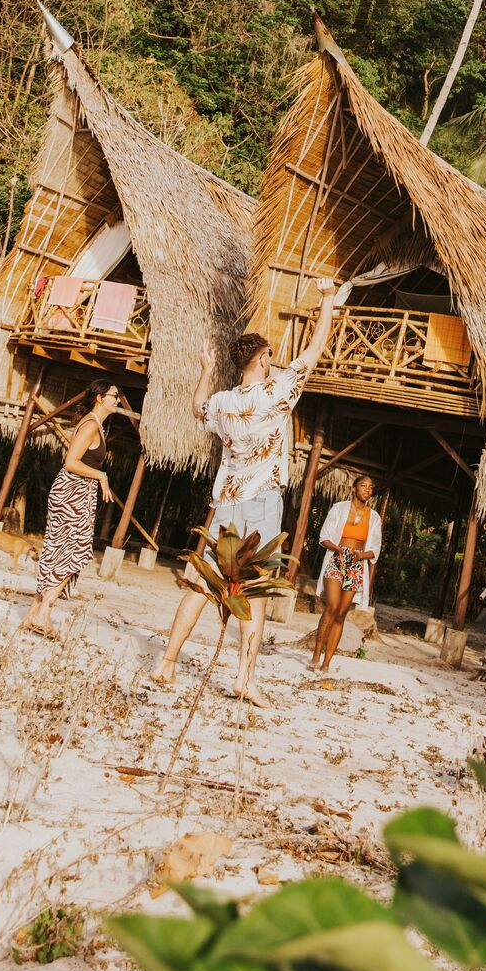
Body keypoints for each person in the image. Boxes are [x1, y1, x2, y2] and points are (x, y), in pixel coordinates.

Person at [151, 278, 346, 705]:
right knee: (253, 591)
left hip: (225, 503)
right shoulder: (275, 394)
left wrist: (204, 373)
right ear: (260, 359)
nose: (274, 361)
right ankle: (244, 678)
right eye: (270, 355)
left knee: (202, 585)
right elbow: (315, 350)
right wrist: (328, 300)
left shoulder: (222, 402)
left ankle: (166, 662)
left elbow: (197, 408)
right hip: (260, 502)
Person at [20, 380, 120, 634]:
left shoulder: (95, 424)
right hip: (73, 491)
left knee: (59, 551)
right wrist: (101, 476)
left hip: (78, 492)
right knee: (73, 554)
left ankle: (34, 613)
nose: (117, 400)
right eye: (113, 396)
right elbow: (71, 462)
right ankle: (43, 614)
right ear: (100, 398)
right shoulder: (90, 425)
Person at [310, 475, 383, 673]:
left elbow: (375, 549)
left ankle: (327, 663)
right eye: (363, 486)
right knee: (332, 607)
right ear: (353, 488)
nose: (367, 490)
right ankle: (316, 655)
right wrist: (339, 550)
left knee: (341, 614)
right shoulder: (339, 508)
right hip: (336, 558)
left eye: (371, 487)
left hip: (356, 564)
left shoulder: (374, 517)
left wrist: (360, 555)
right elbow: (324, 536)